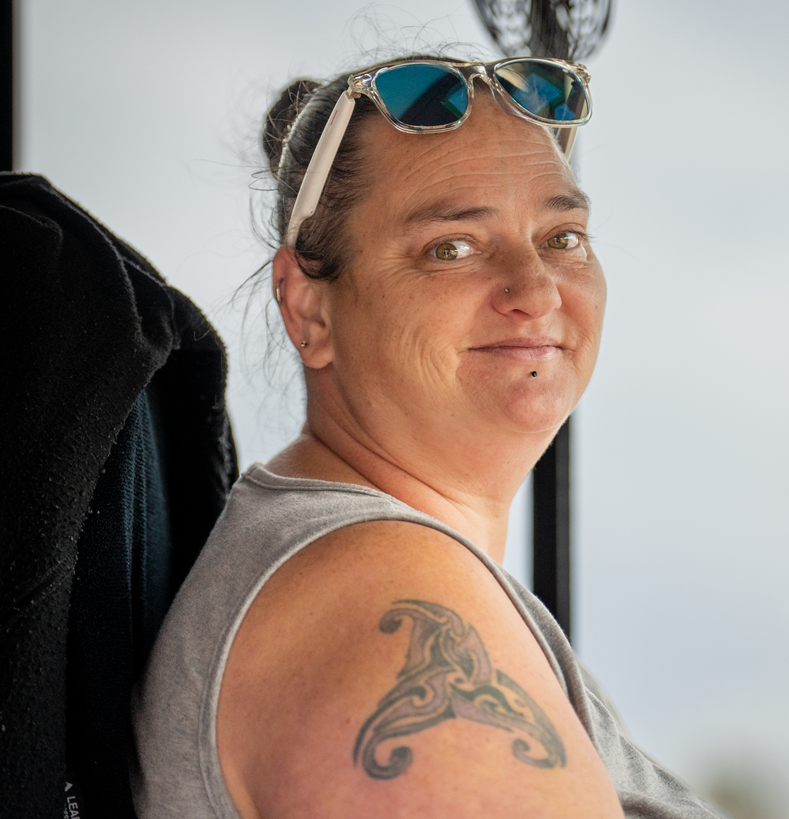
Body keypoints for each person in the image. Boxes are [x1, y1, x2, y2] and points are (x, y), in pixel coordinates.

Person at [131, 53, 727, 819]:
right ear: (309, 309)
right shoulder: (375, 599)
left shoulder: (384, 565)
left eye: (562, 236)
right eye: (452, 247)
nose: (537, 288)